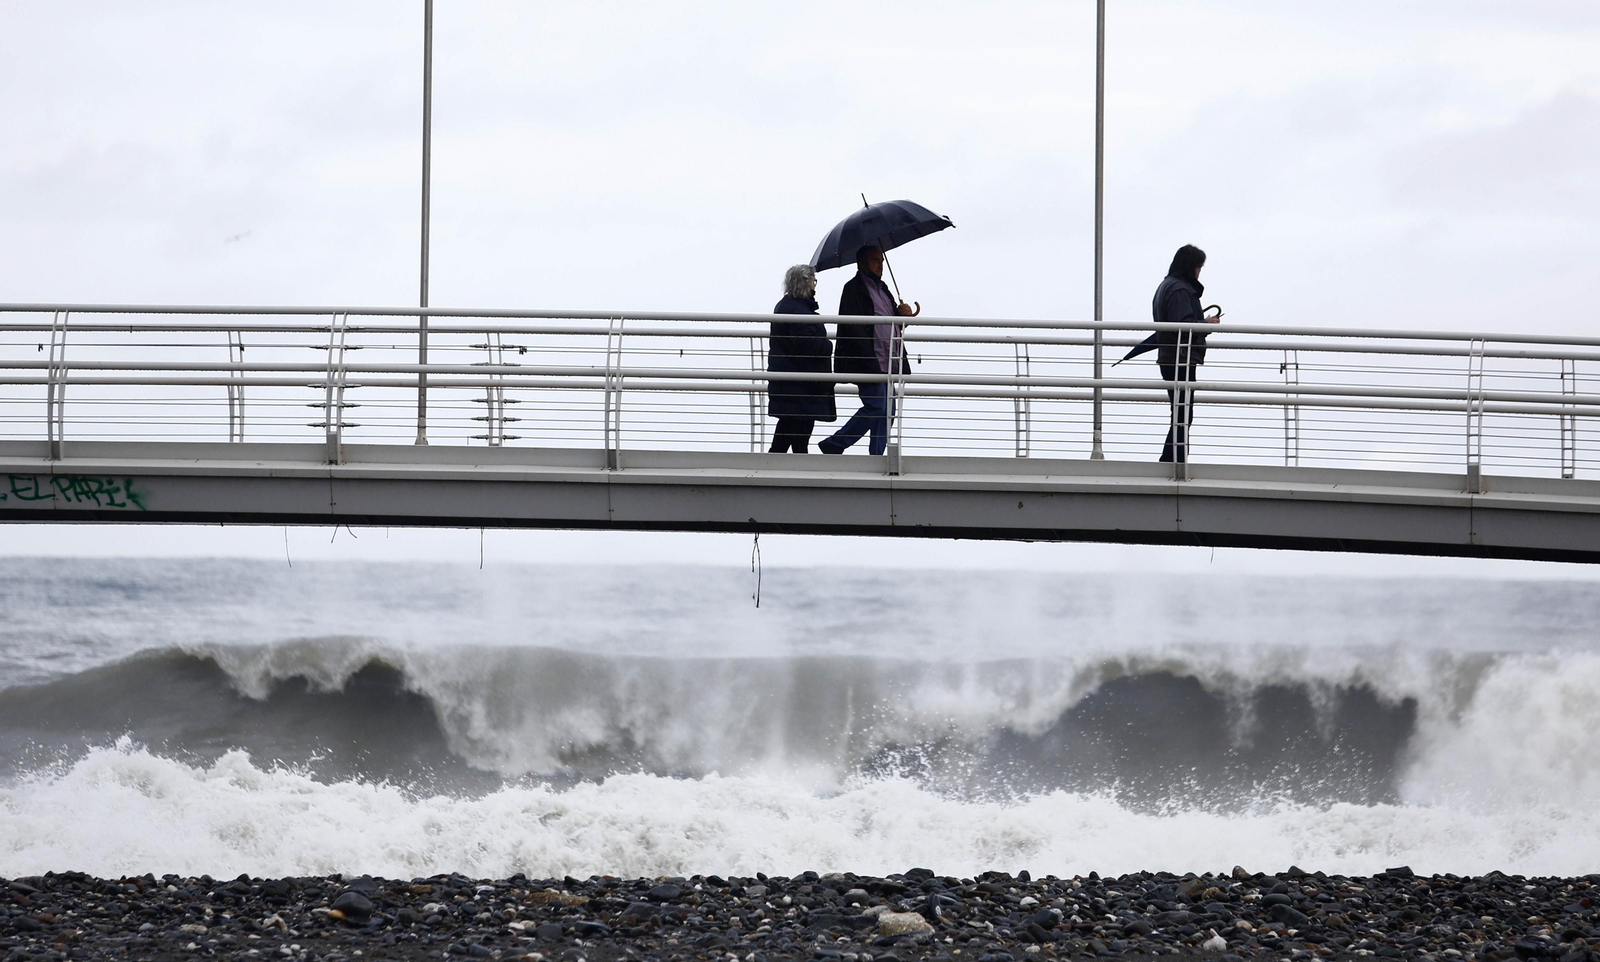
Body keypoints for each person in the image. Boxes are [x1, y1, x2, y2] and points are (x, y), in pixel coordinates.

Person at [819, 245, 916, 455]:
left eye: (881, 261)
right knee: (877, 406)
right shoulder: (853, 288)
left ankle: (876, 456)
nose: (880, 265)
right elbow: (854, 327)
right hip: (869, 359)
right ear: (861, 264)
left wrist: (902, 315)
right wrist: (866, 357)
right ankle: (834, 444)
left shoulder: (884, 289)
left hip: (890, 358)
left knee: (888, 410)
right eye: (875, 261)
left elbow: (890, 323)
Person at [1152, 244, 1220, 463]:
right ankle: (1173, 462)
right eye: (1199, 267)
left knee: (1181, 412)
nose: (1199, 272)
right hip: (1180, 358)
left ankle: (1172, 459)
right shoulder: (1180, 289)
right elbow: (1183, 326)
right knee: (1183, 414)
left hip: (1171, 356)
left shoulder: (1167, 286)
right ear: (1191, 267)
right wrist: (1205, 324)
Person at [766, 264, 835, 453]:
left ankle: (774, 465)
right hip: (801, 384)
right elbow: (806, 345)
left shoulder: (787, 306)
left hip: (791, 382)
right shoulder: (799, 311)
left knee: (789, 428)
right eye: (813, 281)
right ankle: (792, 467)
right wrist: (827, 345)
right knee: (798, 429)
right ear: (805, 283)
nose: (815, 285)